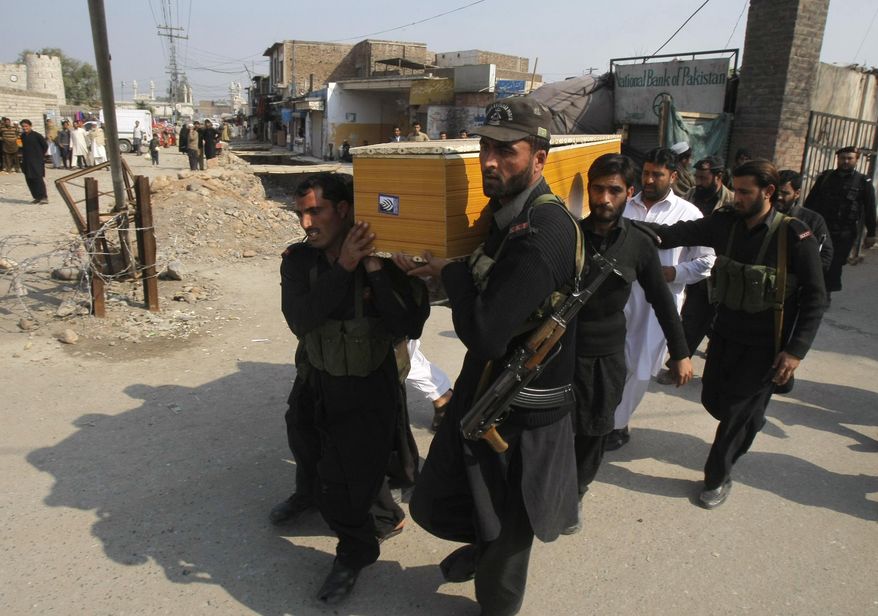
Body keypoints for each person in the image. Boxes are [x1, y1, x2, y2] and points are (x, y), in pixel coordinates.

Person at [397, 96, 580, 616]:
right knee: (443, 497)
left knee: (506, 528)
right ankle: (484, 549)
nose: (490, 161)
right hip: (487, 393)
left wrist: (451, 271)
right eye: (485, 148)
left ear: (540, 158)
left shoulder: (542, 232)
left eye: (507, 151)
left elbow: (485, 334)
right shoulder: (503, 218)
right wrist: (438, 272)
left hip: (523, 410)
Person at [279, 172, 429, 604]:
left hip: (368, 385)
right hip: (317, 377)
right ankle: (315, 498)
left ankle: (354, 551)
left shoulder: (379, 256)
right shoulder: (299, 261)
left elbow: (407, 324)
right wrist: (343, 267)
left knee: (349, 478)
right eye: (301, 213)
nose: (307, 223)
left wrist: (376, 271)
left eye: (315, 211)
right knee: (304, 439)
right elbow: (301, 321)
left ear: (343, 210)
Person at [645, 160, 826, 509]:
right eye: (736, 189)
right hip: (725, 336)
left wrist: (795, 351)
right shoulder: (725, 223)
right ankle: (751, 417)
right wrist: (620, 226)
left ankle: (717, 477)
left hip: (766, 347)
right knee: (715, 401)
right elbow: (676, 234)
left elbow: (815, 299)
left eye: (745, 192)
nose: (737, 197)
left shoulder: (795, 236)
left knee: (734, 419)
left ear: (768, 192)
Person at [571, 153, 692, 507]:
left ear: (629, 193)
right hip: (563, 350)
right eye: (598, 189)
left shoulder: (638, 242)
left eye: (614, 190)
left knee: (595, 428)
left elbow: (662, 299)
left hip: (606, 355)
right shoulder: (571, 236)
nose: (604, 199)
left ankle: (577, 490)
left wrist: (681, 353)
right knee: (558, 425)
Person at [606, 147, 711, 449]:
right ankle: (605, 417)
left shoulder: (689, 215)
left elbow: (706, 262)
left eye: (657, 174)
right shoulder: (625, 206)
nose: (649, 179)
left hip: (658, 306)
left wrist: (672, 273)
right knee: (614, 362)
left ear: (673, 176)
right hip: (620, 297)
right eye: (646, 173)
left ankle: (617, 425)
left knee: (640, 367)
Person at [673, 156, 736, 378]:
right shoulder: (689, 195)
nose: (698, 182)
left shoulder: (731, 202)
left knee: (713, 320)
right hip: (689, 262)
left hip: (717, 272)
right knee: (691, 317)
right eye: (697, 176)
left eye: (703, 177)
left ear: (718, 177)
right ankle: (679, 363)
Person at [803, 146, 876, 303]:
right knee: (815, 259)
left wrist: (871, 233)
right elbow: (811, 202)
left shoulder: (863, 182)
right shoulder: (826, 178)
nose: (846, 161)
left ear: (856, 160)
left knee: (835, 263)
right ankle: (812, 289)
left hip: (844, 232)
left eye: (850, 158)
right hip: (822, 229)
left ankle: (825, 294)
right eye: (843, 158)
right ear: (838, 159)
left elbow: (870, 209)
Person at [776, 170, 833, 273]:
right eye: (776, 192)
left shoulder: (813, 220)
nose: (779, 197)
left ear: (797, 193)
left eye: (785, 193)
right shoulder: (762, 215)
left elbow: (825, 256)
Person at [19, 119, 49, 204]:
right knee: (29, 179)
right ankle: (37, 197)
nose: (24, 128)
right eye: (23, 126)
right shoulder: (23, 136)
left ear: (30, 126)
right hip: (27, 161)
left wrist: (39, 155)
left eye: (26, 126)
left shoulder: (37, 135)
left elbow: (45, 146)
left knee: (38, 179)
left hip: (37, 161)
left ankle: (44, 197)